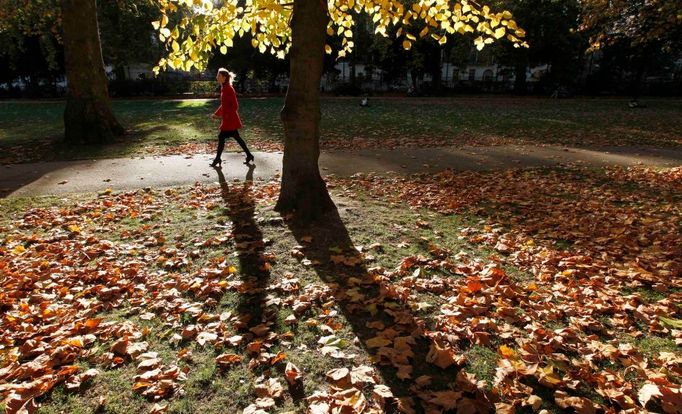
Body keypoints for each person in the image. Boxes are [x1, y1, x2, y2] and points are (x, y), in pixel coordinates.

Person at [211, 68, 254, 167]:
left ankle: (218, 159)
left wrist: (226, 115)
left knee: (222, 137)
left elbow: (235, 105)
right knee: (237, 137)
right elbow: (224, 105)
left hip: (230, 120)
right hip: (228, 119)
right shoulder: (224, 88)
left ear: (224, 77)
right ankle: (249, 155)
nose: (216, 77)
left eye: (218, 75)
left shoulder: (229, 89)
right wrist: (217, 114)